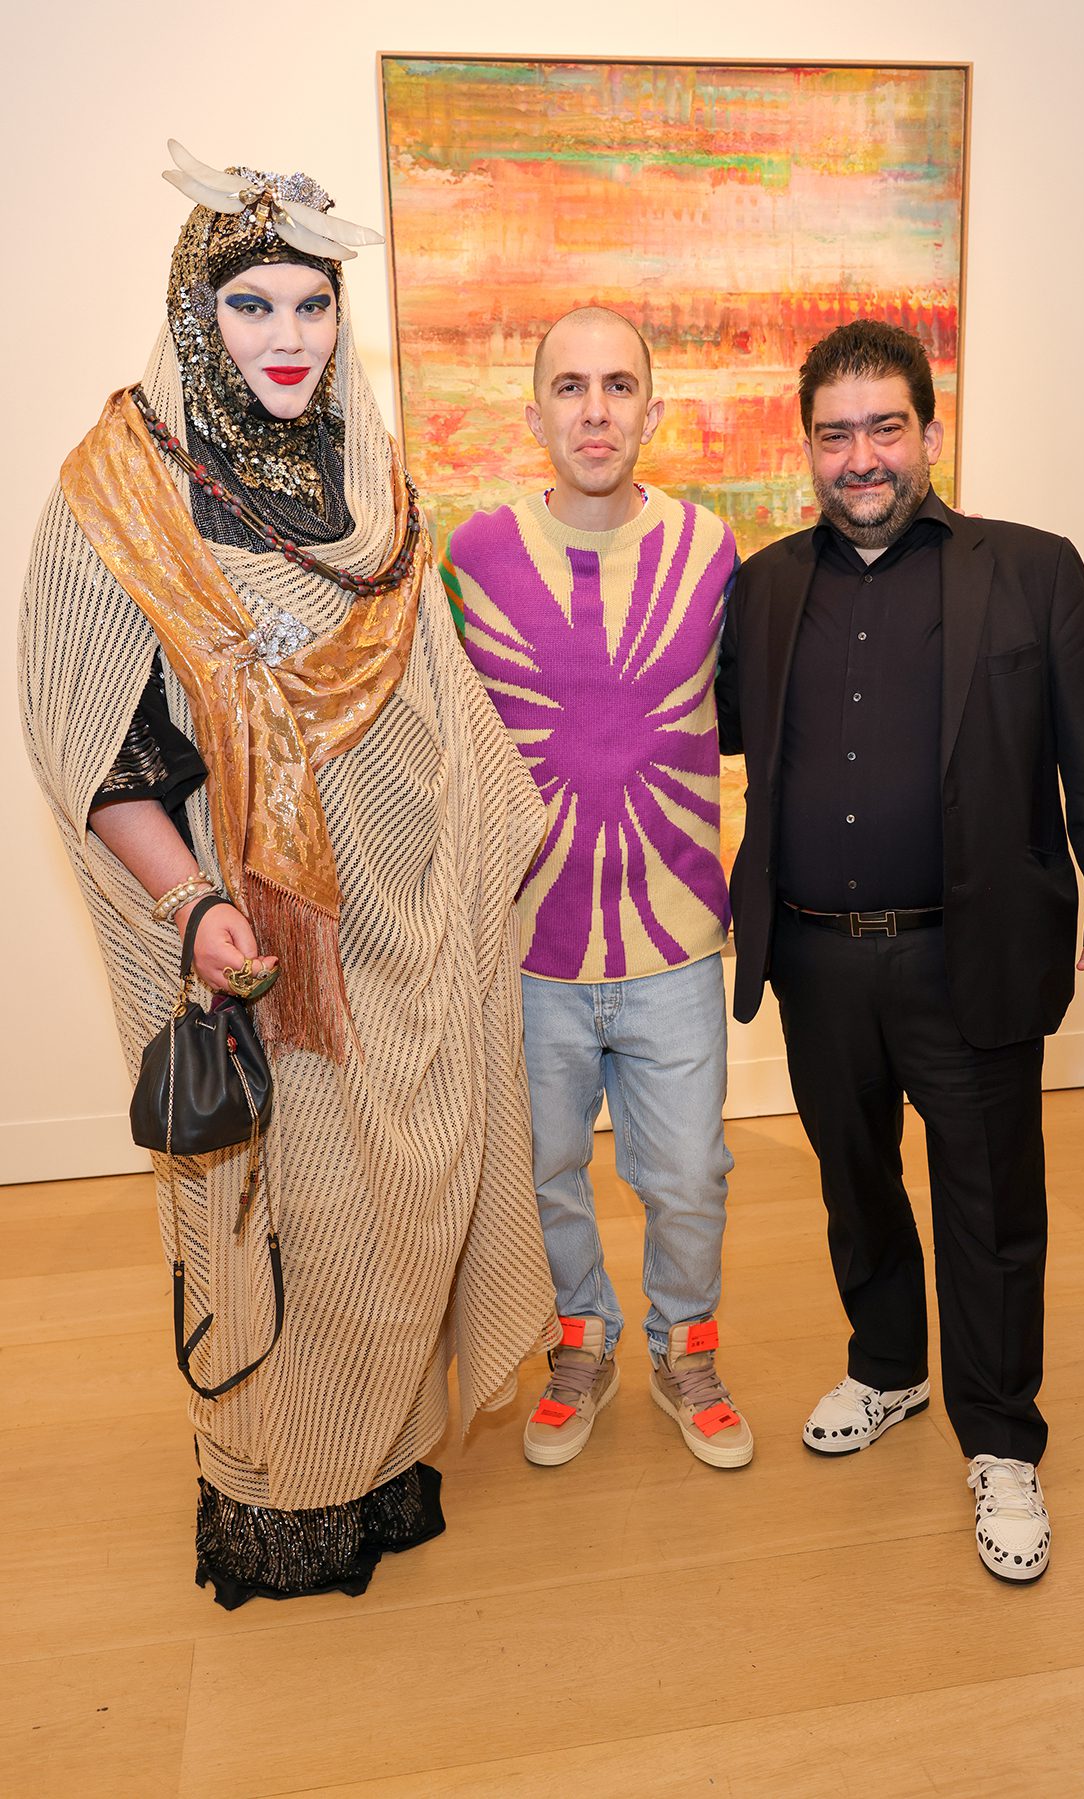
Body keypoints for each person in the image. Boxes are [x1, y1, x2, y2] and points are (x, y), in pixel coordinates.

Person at [19, 141, 556, 1607]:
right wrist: (192, 906)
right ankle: (283, 1484)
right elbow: (94, 741)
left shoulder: (365, 469)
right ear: (196, 312)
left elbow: (431, 690)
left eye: (312, 304)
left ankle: (378, 1454)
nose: (288, 336)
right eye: (251, 304)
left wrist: (466, 847)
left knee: (400, 1198)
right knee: (289, 1213)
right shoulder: (121, 490)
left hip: (402, 921)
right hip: (257, 938)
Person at [716, 319, 1084, 1580]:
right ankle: (887, 1365)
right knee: (853, 1180)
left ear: (928, 428)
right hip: (814, 958)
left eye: (884, 426)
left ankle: (1003, 1437)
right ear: (807, 446)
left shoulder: (1031, 570)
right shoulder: (764, 586)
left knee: (990, 1200)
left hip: (970, 951)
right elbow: (719, 735)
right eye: (835, 433)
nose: (860, 456)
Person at [441, 307, 754, 1470]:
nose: (594, 410)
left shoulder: (712, 551)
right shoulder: (473, 557)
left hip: (676, 939)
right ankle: (582, 1341)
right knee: (543, 1176)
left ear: (651, 410)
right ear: (535, 414)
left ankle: (686, 1347)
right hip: (527, 947)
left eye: (618, 385)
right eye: (569, 387)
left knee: (689, 1176)